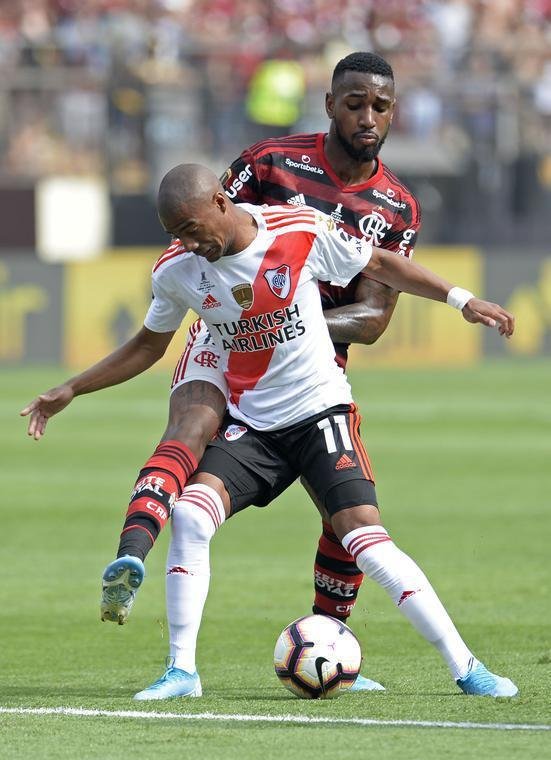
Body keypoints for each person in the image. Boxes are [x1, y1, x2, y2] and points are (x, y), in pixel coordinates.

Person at [22, 163, 517, 702]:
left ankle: (467, 668)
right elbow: (147, 346)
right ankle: (182, 672)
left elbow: (379, 263)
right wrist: (72, 388)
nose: (188, 243)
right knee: (189, 512)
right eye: (176, 234)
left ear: (218, 202)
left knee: (364, 540)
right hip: (255, 426)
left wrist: (462, 300)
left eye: (192, 228)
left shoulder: (296, 229)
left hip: (321, 412)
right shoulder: (178, 270)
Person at [107, 53, 425, 692]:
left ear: (393, 112)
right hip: (229, 350)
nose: (367, 117)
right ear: (330, 103)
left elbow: (372, 317)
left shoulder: (397, 208)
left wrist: (292, 324)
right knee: (188, 444)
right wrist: (239, 322)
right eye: (355, 103)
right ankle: (157, 612)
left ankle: (330, 637)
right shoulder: (268, 164)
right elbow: (198, 229)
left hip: (313, 370)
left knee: (347, 515)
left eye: (380, 107)